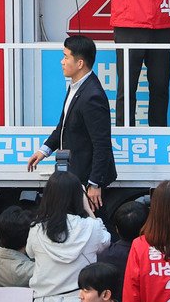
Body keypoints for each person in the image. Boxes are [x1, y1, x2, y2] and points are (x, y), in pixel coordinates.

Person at [27, 35, 115, 212]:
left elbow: (102, 143)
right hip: (74, 173)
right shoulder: (76, 86)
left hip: (86, 179)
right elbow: (63, 125)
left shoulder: (92, 96)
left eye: (66, 57)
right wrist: (44, 151)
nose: (62, 61)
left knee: (93, 228)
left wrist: (94, 183)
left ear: (80, 63)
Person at [27, 170, 110, 302]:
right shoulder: (91, 227)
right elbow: (105, 241)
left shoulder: (36, 229)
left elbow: (30, 253)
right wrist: (88, 210)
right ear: (79, 197)